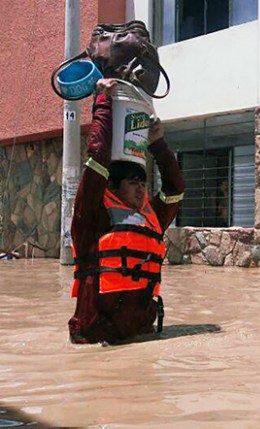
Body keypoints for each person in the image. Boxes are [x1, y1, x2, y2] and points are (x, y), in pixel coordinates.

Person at [68, 78, 184, 344]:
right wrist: (103, 104)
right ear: (112, 186)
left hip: (140, 336)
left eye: (143, 184)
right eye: (133, 184)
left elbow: (175, 189)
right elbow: (97, 160)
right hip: (96, 341)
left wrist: (159, 145)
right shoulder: (93, 215)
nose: (141, 190)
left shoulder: (150, 218)